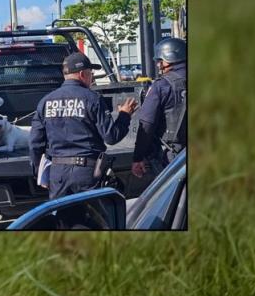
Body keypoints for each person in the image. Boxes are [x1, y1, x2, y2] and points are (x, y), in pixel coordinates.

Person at [30, 53, 139, 199]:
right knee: (93, 219)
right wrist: (125, 115)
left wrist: (40, 173)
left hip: (58, 174)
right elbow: (111, 136)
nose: (92, 78)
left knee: (63, 220)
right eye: (90, 74)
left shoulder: (45, 102)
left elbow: (35, 143)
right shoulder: (92, 99)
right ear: (82, 74)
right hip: (87, 173)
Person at [132, 38, 188, 178]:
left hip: (173, 157)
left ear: (169, 58)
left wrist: (138, 157)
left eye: (160, 60)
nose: (158, 64)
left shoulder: (162, 86)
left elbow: (147, 125)